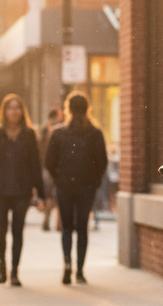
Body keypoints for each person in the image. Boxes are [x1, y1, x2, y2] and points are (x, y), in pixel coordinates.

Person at [44, 93, 107, 285]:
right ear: (88, 109)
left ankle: (67, 264)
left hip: (64, 186)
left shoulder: (59, 133)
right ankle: (79, 271)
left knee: (66, 228)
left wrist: (58, 179)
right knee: (82, 228)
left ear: (67, 109)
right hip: (86, 186)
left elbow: (49, 162)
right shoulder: (95, 133)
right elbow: (102, 161)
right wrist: (95, 181)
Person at [0, 94, 44, 287]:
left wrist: (41, 192)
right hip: (1, 191)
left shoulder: (28, 134)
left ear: (22, 110)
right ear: (4, 111)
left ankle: (15, 272)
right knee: (0, 232)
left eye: (17, 107)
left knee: (18, 232)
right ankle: (2, 267)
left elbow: (35, 164)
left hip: (22, 191)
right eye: (10, 107)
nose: (14, 111)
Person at [37, 109, 60, 232]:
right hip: (49, 168)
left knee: (50, 196)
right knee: (51, 196)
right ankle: (51, 221)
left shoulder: (47, 130)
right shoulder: (50, 131)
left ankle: (51, 221)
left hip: (48, 168)